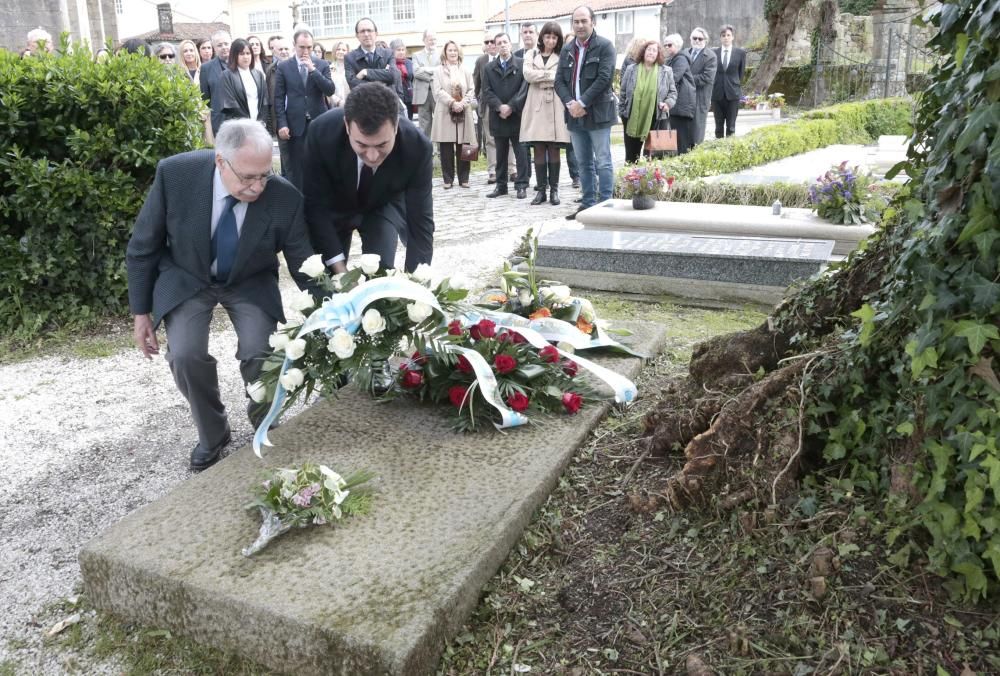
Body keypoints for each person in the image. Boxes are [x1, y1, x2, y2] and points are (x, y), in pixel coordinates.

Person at [126, 119, 316, 471]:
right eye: (247, 177)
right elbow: (142, 247)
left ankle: (265, 419)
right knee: (184, 354)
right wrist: (141, 314)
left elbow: (303, 261)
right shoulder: (175, 175)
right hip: (188, 275)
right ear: (220, 162)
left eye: (265, 175)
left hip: (249, 279)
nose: (258, 187)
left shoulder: (284, 197)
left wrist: (329, 311)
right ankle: (213, 432)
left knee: (261, 350)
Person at [302, 83, 434, 273]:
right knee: (329, 284)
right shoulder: (321, 133)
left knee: (380, 274)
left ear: (396, 126)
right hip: (332, 206)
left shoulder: (417, 147)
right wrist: (340, 272)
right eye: (362, 145)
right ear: (347, 126)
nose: (372, 156)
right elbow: (315, 205)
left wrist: (416, 283)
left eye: (382, 145)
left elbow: (421, 222)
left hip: (382, 205)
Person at [555, 6, 617, 219]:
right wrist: (570, 103)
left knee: (603, 160)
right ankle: (588, 204)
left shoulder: (605, 47)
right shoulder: (567, 49)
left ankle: (606, 206)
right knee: (583, 162)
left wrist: (582, 102)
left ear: (593, 22)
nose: (580, 25)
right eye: (576, 22)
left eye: (584, 21)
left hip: (598, 114)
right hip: (574, 115)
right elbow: (559, 81)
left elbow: (604, 79)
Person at [274, 28, 335, 190]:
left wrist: (313, 70)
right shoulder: (284, 67)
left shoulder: (321, 64)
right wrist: (282, 123)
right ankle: (300, 201)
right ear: (294, 45)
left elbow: (330, 90)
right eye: (302, 47)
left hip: (318, 122)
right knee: (298, 167)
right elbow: (278, 98)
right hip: (295, 124)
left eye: (309, 47)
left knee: (320, 163)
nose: (306, 51)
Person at [520, 21, 569, 206]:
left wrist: (541, 75)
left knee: (554, 147)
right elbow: (527, 75)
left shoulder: (563, 55)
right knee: (538, 147)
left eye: (554, 37)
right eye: (547, 36)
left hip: (556, 103)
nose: (550, 40)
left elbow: (561, 76)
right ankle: (541, 190)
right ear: (542, 37)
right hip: (536, 105)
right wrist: (549, 76)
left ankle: (554, 190)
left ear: (558, 39)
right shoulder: (531, 53)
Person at [483, 33, 529, 200]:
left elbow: (524, 89)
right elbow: (486, 91)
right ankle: (501, 186)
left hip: (516, 115)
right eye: (499, 43)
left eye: (505, 42)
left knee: (521, 153)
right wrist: (499, 107)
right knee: (500, 154)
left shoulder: (522, 65)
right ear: (494, 46)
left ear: (511, 44)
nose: (502, 45)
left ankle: (522, 185)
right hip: (498, 116)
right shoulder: (488, 68)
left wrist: (511, 106)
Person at [618, 39, 677, 163]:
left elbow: (673, 93)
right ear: (643, 52)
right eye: (649, 49)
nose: (651, 52)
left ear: (658, 54)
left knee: (653, 158)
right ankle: (630, 181)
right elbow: (623, 92)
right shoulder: (631, 69)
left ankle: (650, 181)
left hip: (657, 118)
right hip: (632, 118)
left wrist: (667, 103)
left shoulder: (666, 71)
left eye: (654, 50)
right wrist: (623, 112)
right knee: (631, 157)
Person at [431, 40, 476, 189]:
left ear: (459, 52)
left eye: (455, 50)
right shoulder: (438, 71)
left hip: (464, 111)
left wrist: (462, 103)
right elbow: (437, 91)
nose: (453, 53)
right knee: (446, 147)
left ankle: (464, 178)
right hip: (445, 111)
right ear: (445, 52)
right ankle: (448, 179)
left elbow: (471, 90)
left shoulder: (466, 70)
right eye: (450, 50)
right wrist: (452, 103)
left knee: (465, 145)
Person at [220, 38, 269, 126]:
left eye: (248, 53)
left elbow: (264, 100)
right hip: (239, 125)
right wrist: (248, 123)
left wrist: (261, 121)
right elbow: (230, 103)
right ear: (234, 55)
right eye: (241, 54)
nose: (246, 57)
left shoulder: (258, 74)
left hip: (259, 124)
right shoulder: (226, 75)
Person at [663, 34, 697, 154]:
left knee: (683, 140)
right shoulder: (671, 59)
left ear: (677, 45)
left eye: (669, 45)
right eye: (665, 45)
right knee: (679, 139)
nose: (666, 47)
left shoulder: (680, 58)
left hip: (682, 105)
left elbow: (674, 77)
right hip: (678, 104)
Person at [712, 24, 746, 139]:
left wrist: (734, 85)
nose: (726, 37)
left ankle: (729, 150)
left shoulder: (740, 53)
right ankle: (718, 149)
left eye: (728, 35)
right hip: (717, 94)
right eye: (723, 35)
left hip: (733, 94)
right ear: (720, 38)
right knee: (718, 126)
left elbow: (741, 73)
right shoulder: (714, 53)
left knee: (731, 126)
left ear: (732, 37)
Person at [344, 18, 397, 92]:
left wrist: (366, 72)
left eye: (369, 30)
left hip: (386, 101)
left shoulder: (388, 53)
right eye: (362, 31)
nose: (366, 34)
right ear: (357, 35)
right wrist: (383, 79)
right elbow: (352, 84)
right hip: (363, 101)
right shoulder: (349, 58)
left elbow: (393, 76)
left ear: (376, 33)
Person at [686, 26, 717, 145]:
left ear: (705, 41)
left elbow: (707, 77)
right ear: (690, 39)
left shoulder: (711, 56)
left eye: (700, 39)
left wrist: (686, 80)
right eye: (695, 38)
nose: (697, 41)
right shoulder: (684, 53)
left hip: (700, 97)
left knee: (697, 130)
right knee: (683, 129)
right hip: (684, 97)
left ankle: (695, 155)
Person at [200, 30, 232, 136]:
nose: (224, 47)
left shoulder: (242, 64)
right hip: (219, 121)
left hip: (243, 119)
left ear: (231, 44)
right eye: (219, 45)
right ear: (214, 48)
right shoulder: (206, 68)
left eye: (226, 44)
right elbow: (205, 99)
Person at [412, 29, 439, 137]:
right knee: (424, 124)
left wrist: (425, 69)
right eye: (430, 39)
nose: (432, 41)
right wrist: (434, 72)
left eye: (434, 39)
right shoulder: (416, 55)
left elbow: (442, 71)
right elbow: (416, 73)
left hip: (438, 93)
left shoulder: (442, 54)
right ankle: (428, 150)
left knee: (439, 122)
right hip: (422, 95)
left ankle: (439, 151)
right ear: (424, 40)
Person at [390, 38, 414, 115]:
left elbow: (411, 77)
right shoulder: (390, 63)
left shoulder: (409, 62)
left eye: (402, 50)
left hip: (408, 94)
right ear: (393, 51)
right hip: (395, 95)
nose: (401, 52)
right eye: (398, 50)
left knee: (409, 120)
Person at [328, 41, 351, 107]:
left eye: (344, 50)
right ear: (334, 51)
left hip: (350, 105)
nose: (341, 52)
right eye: (338, 49)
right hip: (334, 106)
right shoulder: (328, 69)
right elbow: (326, 89)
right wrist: (338, 101)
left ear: (348, 52)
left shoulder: (352, 68)